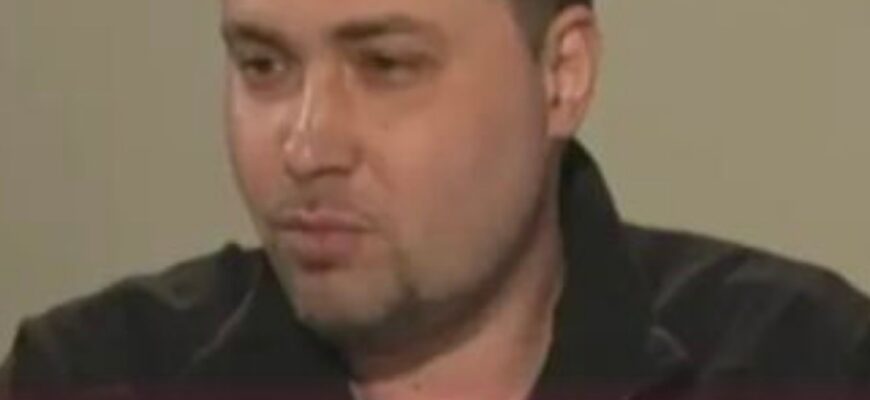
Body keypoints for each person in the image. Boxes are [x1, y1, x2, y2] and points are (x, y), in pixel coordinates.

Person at [2, 0, 869, 398]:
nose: (306, 147)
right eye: (263, 65)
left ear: (561, 75)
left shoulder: (807, 363)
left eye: (386, 65)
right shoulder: (92, 375)